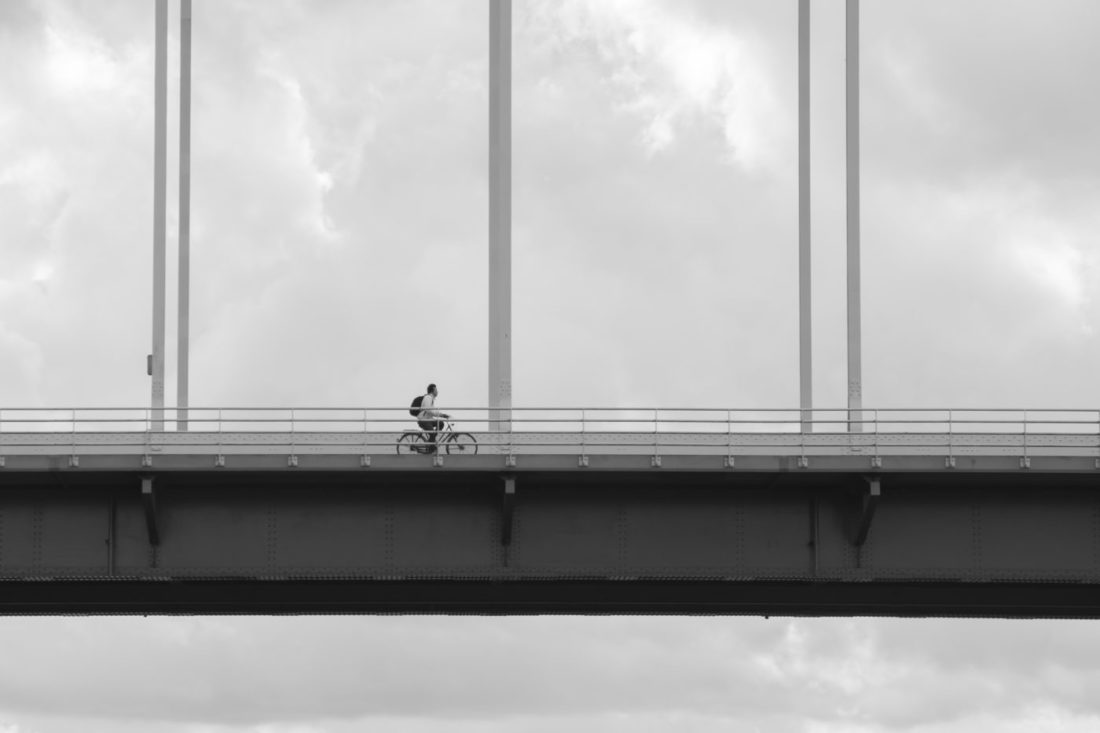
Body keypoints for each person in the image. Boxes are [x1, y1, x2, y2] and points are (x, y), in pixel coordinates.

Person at [417, 383, 448, 451]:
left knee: (440, 423)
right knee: (433, 433)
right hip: (424, 420)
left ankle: (431, 442)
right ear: (433, 391)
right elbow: (429, 410)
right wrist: (441, 415)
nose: (437, 391)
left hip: (428, 419)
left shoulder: (431, 398)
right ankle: (430, 445)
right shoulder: (428, 398)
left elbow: (433, 411)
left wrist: (442, 414)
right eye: (436, 390)